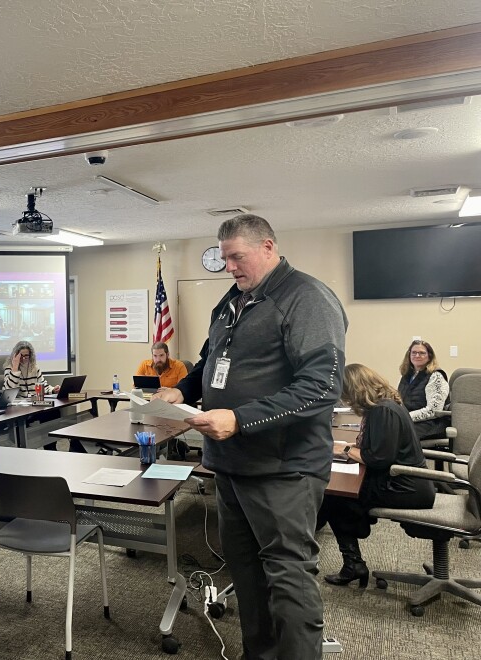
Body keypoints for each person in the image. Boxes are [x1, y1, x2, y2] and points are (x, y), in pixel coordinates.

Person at [156, 214, 347, 660]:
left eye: (236, 257)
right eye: (224, 258)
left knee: (287, 577)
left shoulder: (307, 298)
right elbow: (209, 364)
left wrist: (240, 419)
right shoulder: (231, 302)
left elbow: (321, 386)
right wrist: (181, 389)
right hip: (230, 465)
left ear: (267, 247)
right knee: (244, 572)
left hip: (283, 468)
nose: (229, 267)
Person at [317, 363, 435, 587]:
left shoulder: (383, 411)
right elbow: (379, 448)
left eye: (346, 395)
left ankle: (353, 564)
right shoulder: (383, 406)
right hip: (406, 480)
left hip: (405, 487)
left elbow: (379, 459)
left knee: (334, 497)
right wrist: (352, 446)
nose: (346, 400)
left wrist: (343, 450)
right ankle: (352, 562)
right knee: (337, 494)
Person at [396, 339, 451, 441]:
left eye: (422, 353)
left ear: (429, 356)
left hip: (431, 423)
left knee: (396, 435)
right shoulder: (407, 375)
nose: (417, 356)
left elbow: (434, 411)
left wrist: (405, 417)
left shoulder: (436, 376)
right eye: (414, 353)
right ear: (409, 355)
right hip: (409, 420)